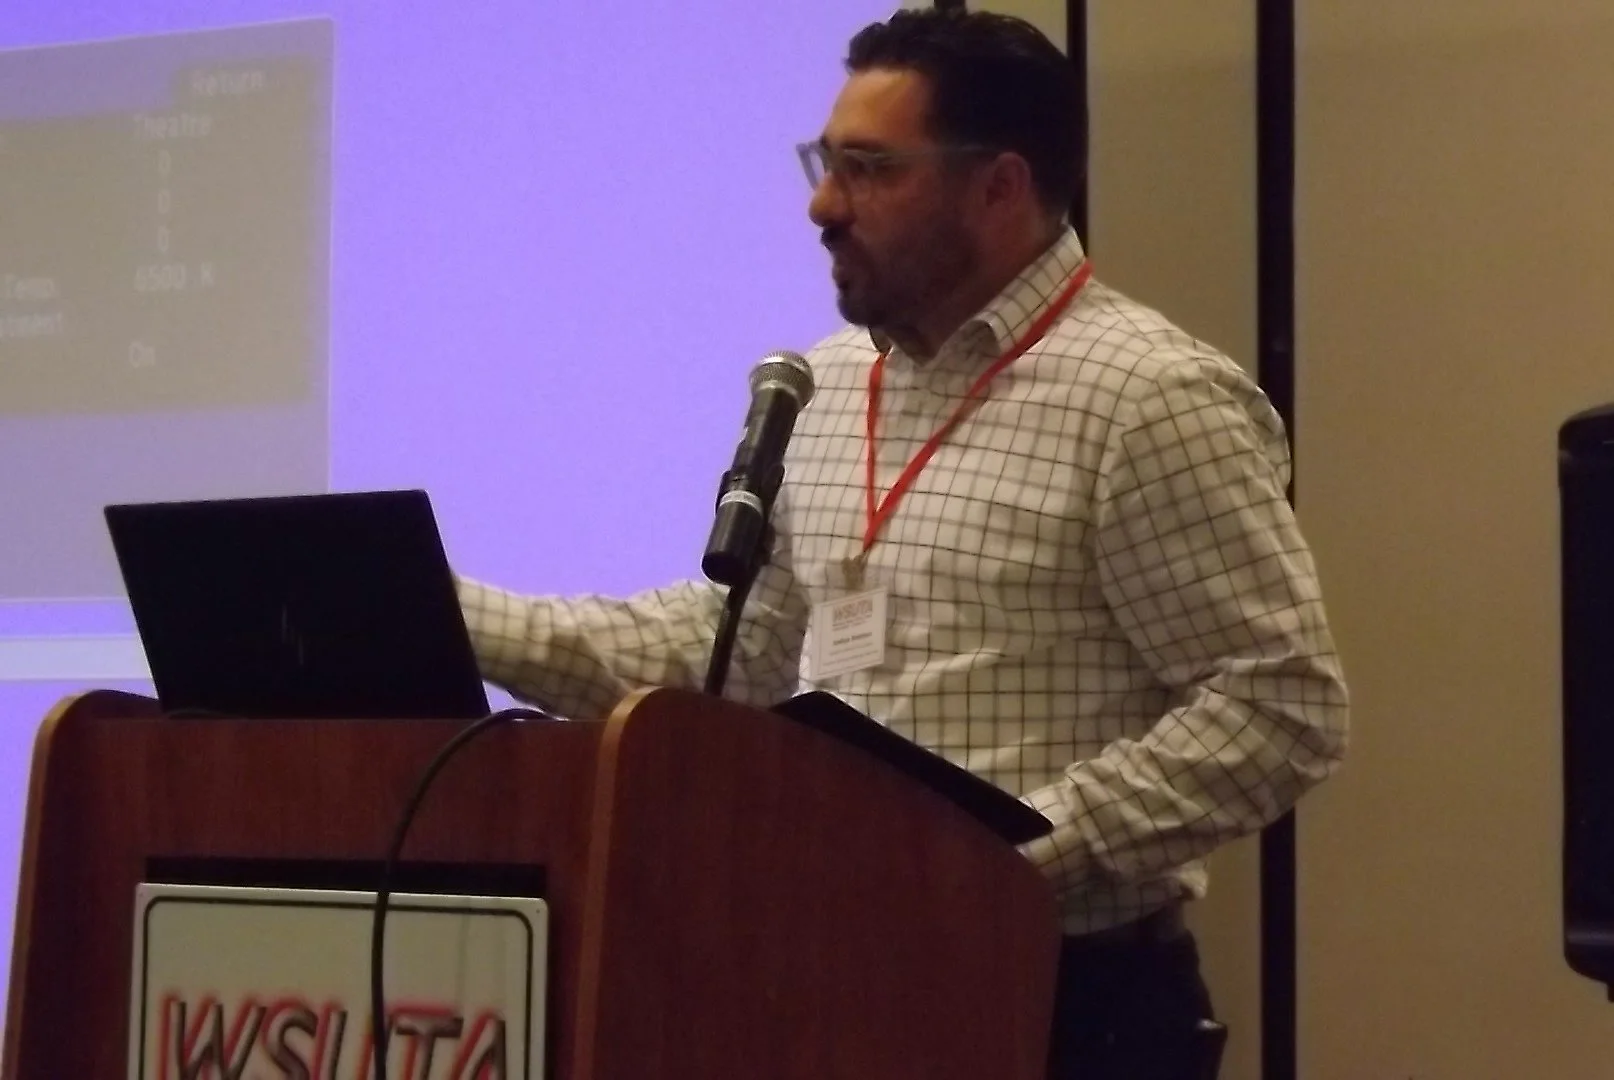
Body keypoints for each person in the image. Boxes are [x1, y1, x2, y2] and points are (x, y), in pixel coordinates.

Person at [457, 9, 1348, 1080]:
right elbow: (737, 650)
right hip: (837, 980)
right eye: (824, 164)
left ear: (999, 187)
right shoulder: (827, 388)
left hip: (1067, 1002)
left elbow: (1280, 701)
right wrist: (456, 616)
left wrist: (1014, 853)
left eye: (869, 170)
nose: (822, 206)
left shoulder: (1148, 398)